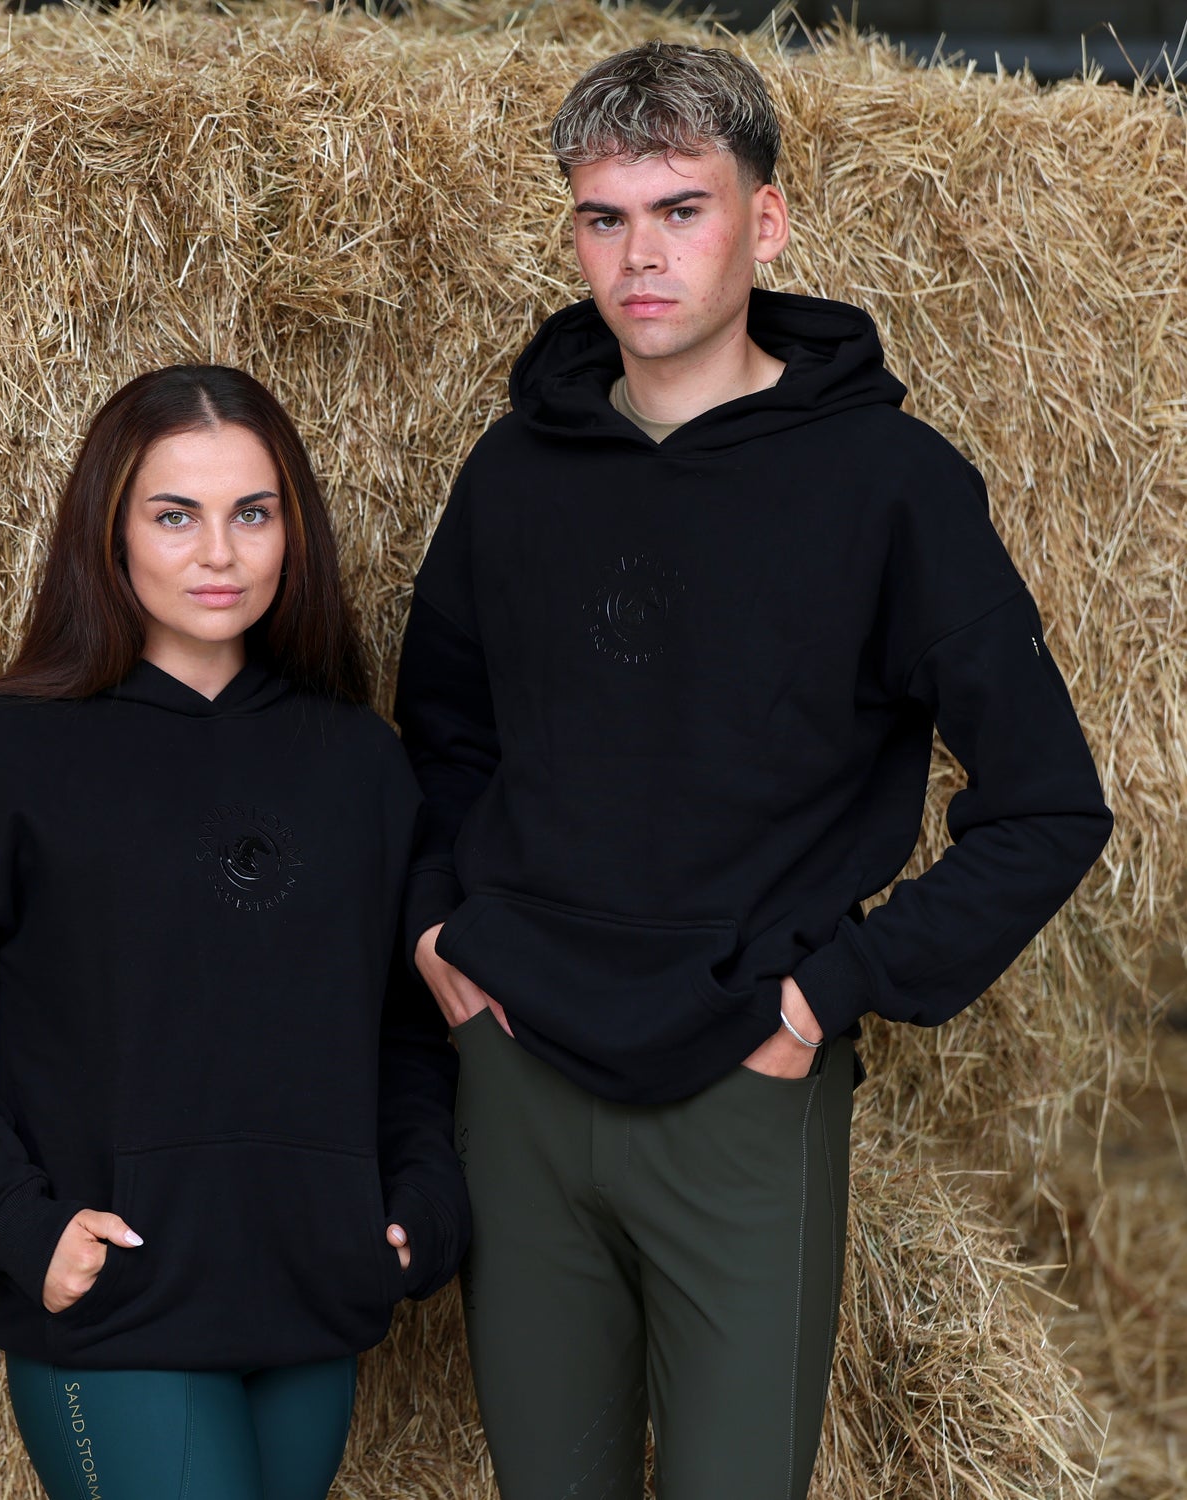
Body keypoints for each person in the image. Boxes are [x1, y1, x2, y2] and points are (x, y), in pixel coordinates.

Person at [395, 42, 1112, 1500]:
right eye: (605, 218)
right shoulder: (514, 473)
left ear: (765, 223)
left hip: (742, 1078)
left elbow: (1048, 804)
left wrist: (828, 993)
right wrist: (440, 935)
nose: (640, 256)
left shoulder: (890, 486)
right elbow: (439, 737)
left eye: (682, 210)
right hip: (519, 1073)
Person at [0, 365, 468, 1500]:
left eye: (253, 514)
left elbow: (407, 1031)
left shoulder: (361, 766)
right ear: (110, 531)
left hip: (311, 1303)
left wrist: (417, 1203)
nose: (219, 554)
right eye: (175, 516)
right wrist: (20, 1227)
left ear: (294, 531)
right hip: (118, 1317)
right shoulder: (3, 756)